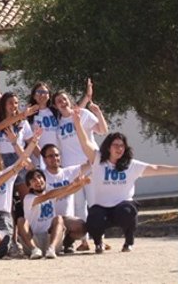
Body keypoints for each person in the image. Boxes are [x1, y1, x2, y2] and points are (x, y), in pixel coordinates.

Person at [82, 131, 178, 253]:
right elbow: (85, 142)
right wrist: (77, 121)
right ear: (108, 147)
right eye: (116, 145)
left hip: (122, 205)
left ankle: (128, 241)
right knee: (94, 218)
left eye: (122, 145)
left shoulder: (131, 165)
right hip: (102, 207)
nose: (119, 148)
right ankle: (98, 243)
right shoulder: (97, 161)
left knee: (127, 211)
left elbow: (156, 168)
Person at [52, 89, 108, 250]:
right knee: (78, 206)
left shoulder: (83, 114)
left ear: (69, 100)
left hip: (90, 165)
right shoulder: (58, 126)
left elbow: (102, 130)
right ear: (55, 106)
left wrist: (98, 112)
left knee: (95, 204)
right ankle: (84, 241)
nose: (62, 102)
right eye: (58, 101)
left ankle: (100, 240)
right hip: (72, 171)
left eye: (64, 99)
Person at [21, 169, 90, 259]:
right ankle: (34, 249)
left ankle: (52, 249)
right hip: (34, 240)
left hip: (50, 238)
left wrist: (81, 183)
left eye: (39, 177)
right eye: (33, 180)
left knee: (59, 219)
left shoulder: (51, 192)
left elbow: (68, 191)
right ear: (29, 185)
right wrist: (72, 184)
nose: (38, 181)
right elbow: (48, 196)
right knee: (20, 221)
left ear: (44, 180)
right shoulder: (28, 198)